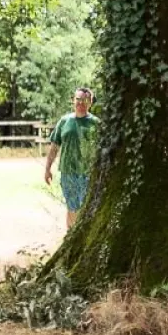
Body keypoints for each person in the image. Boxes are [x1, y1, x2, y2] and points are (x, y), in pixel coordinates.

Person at [45, 87, 99, 229]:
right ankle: (71, 236)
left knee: (86, 209)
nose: (81, 103)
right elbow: (54, 147)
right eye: (78, 100)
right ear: (73, 101)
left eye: (85, 100)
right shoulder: (64, 121)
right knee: (71, 207)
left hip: (88, 173)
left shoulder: (96, 123)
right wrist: (47, 169)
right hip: (68, 172)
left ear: (90, 102)